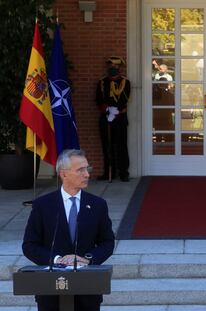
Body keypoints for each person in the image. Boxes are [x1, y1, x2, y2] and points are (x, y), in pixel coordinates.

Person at [22, 149, 115, 311]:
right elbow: (30, 245)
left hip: (87, 290)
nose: (87, 174)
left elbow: (107, 242)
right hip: (51, 290)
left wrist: (87, 259)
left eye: (87, 169)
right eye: (80, 170)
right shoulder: (43, 205)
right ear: (63, 174)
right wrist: (57, 260)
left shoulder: (98, 205)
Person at [96, 56, 131, 182]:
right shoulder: (102, 82)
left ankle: (123, 173)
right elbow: (98, 98)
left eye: (115, 67)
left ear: (119, 68)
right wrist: (107, 109)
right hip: (106, 117)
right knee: (107, 146)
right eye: (111, 66)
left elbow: (125, 98)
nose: (113, 68)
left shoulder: (125, 82)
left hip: (120, 117)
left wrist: (116, 110)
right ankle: (108, 172)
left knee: (121, 145)